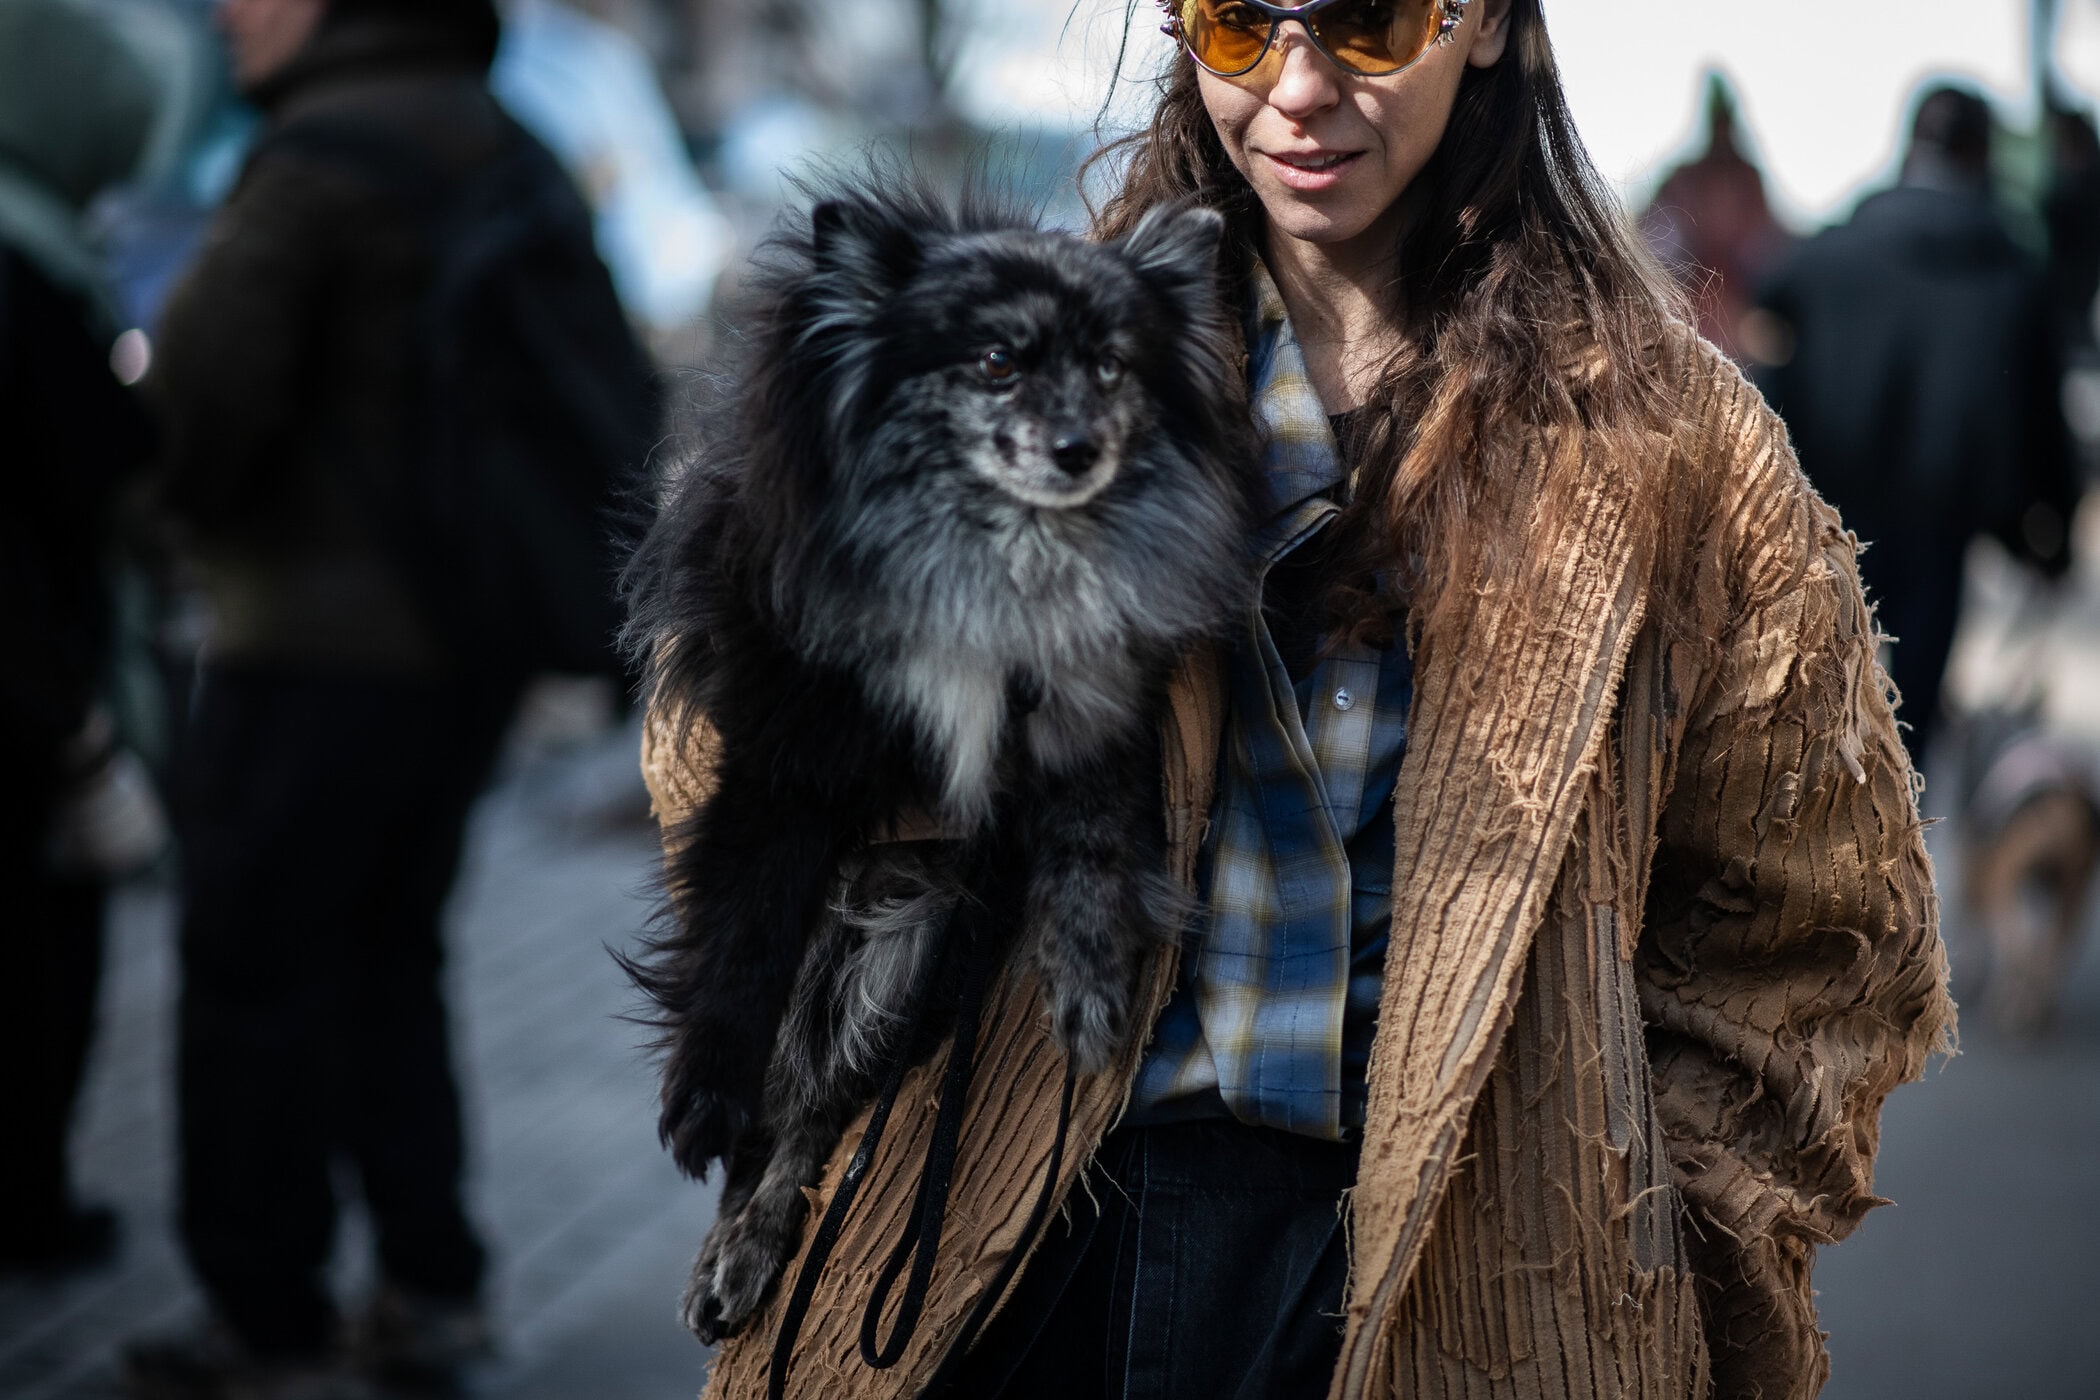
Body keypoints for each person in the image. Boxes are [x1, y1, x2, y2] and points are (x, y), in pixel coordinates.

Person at [642, 2, 1954, 1398]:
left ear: (1492, 26)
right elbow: (706, 749)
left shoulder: (1682, 455)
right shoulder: (1018, 334)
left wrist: (1645, 1236)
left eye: (1369, 21)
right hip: (1008, 1240)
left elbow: (1826, 939)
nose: (1299, 86)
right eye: (1233, 23)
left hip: (1465, 1284)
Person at [124, 0, 655, 1395]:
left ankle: (264, 1317)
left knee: (250, 976)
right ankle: (436, 1292)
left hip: (306, 645)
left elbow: (198, 404)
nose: (231, 12)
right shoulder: (510, 143)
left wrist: (159, 512)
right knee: (389, 967)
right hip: (465, 655)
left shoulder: (315, 156)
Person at [1752, 85, 2082, 766]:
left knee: (1811, 725)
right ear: (1981, 154)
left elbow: (1769, 342)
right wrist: (2052, 534)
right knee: (1906, 745)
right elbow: (2041, 417)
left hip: (1825, 522)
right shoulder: (2014, 273)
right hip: (1940, 529)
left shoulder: (1834, 253)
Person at [0, 0, 159, 1275]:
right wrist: (71, 713)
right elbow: (95, 472)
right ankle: (31, 1202)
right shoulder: (31, 258)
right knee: (44, 952)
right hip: (31, 677)